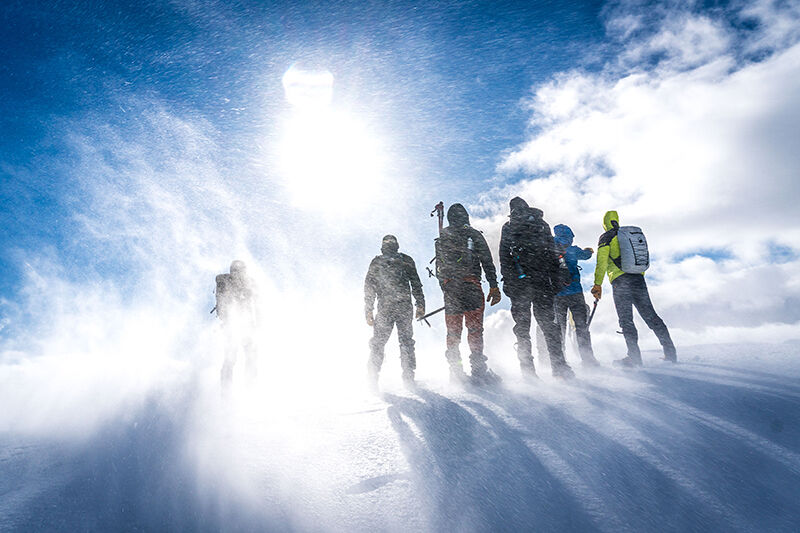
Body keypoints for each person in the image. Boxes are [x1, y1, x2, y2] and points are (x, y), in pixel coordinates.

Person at [499, 197, 574, 379]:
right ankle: (559, 367)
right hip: (542, 282)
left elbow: (504, 257)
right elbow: (554, 252)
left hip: (520, 285)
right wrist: (557, 277)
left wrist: (508, 282)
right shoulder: (541, 224)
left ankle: (528, 371)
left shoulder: (509, 226)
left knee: (522, 328)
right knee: (549, 325)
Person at [591, 211, 677, 366]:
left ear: (605, 223)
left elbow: (601, 262)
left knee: (626, 320)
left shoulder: (607, 237)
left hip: (620, 281)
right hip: (638, 279)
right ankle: (670, 353)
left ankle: (634, 358)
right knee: (651, 316)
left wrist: (597, 284)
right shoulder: (628, 235)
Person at [435, 203, 502, 385]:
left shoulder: (442, 237)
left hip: (451, 288)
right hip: (471, 285)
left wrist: (446, 287)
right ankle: (478, 370)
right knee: (474, 329)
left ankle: (456, 370)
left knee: (453, 331)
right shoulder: (474, 235)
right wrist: (494, 286)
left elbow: (439, 269)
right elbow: (487, 261)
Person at [364, 235, 425, 389]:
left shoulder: (377, 262)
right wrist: (420, 304)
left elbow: (369, 287)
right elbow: (416, 284)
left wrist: (368, 310)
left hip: (385, 308)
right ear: (397, 246)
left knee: (378, 342)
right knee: (406, 342)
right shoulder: (406, 260)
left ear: (382, 247)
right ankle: (409, 377)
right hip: (404, 307)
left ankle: (372, 377)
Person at [552, 224, 600, 367]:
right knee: (581, 326)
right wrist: (589, 251)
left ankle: (560, 359)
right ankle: (588, 359)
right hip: (575, 293)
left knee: (558, 328)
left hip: (557, 294)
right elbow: (586, 255)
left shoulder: (549, 248)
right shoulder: (573, 250)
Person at [215, 260, 259, 388]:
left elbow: (258, 304)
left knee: (249, 357)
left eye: (240, 271)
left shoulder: (249, 283)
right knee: (232, 358)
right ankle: (227, 390)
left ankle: (249, 386)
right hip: (232, 326)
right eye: (236, 271)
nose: (238, 275)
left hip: (245, 326)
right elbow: (222, 303)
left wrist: (259, 323)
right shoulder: (225, 281)